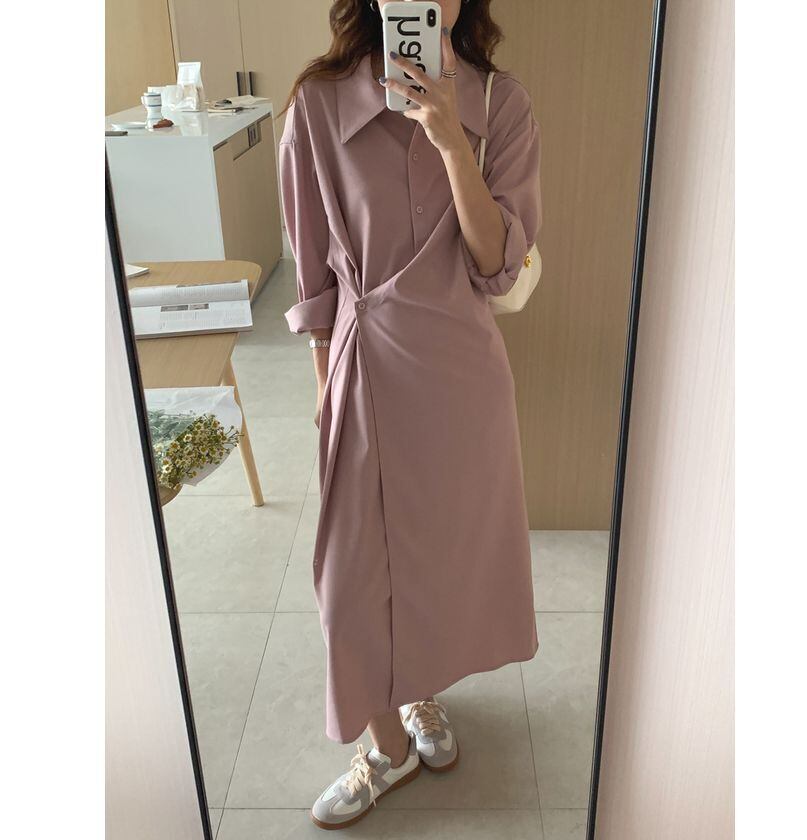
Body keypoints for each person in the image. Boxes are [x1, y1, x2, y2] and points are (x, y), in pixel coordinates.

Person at [278, 0, 542, 829]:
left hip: (461, 379)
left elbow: (497, 265)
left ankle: (419, 692)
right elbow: (313, 278)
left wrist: (453, 139)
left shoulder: (500, 103)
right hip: (364, 367)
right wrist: (325, 393)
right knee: (347, 580)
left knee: (435, 562)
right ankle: (384, 745)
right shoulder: (318, 105)